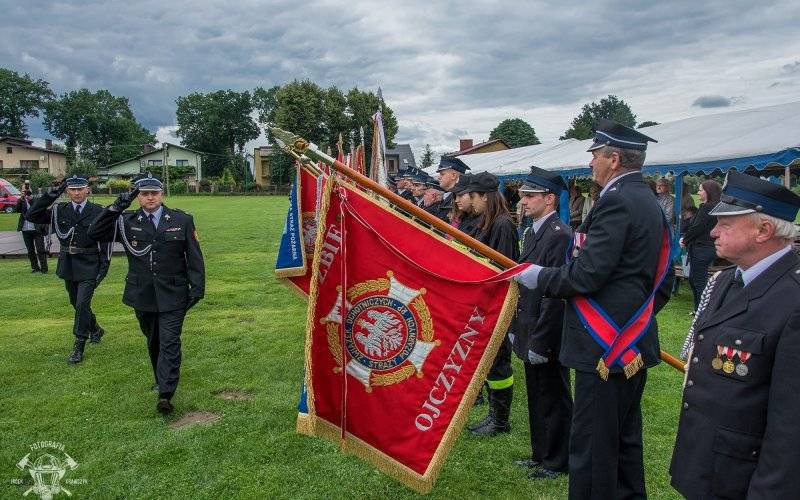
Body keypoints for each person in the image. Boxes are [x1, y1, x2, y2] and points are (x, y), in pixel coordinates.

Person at [515, 119, 669, 499]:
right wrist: (635, 317)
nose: (590, 164)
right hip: (629, 341)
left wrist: (535, 276)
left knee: (593, 448)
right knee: (625, 442)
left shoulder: (616, 200)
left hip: (604, 348)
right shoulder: (646, 198)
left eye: (596, 155)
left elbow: (585, 275)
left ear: (613, 159)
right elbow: (662, 280)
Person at [670, 170, 800, 499]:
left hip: (745, 479)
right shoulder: (725, 281)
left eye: (726, 224)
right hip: (705, 464)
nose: (713, 232)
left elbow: (790, 427)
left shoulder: (793, 300)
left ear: (764, 230)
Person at [89, 174, 205, 414]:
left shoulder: (181, 220)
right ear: (138, 197)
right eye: (144, 194)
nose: (150, 197)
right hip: (142, 293)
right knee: (154, 340)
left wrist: (198, 288)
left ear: (162, 194)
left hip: (173, 292)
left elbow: (194, 257)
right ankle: (160, 377)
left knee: (170, 341)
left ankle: (166, 393)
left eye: (154, 193)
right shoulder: (126, 221)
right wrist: (116, 206)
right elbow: (95, 232)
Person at [511, 166, 573, 480]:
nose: (523, 200)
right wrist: (515, 327)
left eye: (530, 195)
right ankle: (541, 454)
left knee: (553, 396)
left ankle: (557, 460)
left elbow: (556, 292)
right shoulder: (534, 230)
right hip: (529, 323)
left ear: (549, 199)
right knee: (536, 396)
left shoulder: (559, 235)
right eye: (523, 195)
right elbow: (522, 282)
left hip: (546, 328)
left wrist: (542, 339)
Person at [26, 175, 109, 363]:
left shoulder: (98, 211)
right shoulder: (59, 210)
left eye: (80, 189)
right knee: (76, 303)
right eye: (72, 189)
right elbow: (32, 215)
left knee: (81, 304)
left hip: (90, 263)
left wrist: (104, 266)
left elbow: (105, 242)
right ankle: (95, 329)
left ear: (87, 189)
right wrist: (52, 194)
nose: (77, 193)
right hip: (69, 264)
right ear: (67, 191)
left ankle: (79, 343)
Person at [462, 171, 519, 436]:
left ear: (484, 197)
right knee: (489, 360)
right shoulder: (489, 222)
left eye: (472, 196)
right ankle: (494, 415)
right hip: (484, 302)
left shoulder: (502, 225)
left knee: (499, 363)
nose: (469, 202)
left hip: (496, 304)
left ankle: (500, 420)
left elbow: (501, 268)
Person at [681, 179, 721, 311]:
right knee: (695, 279)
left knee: (698, 281)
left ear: (708, 192)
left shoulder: (706, 208)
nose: (698, 192)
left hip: (701, 248)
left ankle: (703, 309)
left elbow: (697, 227)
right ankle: (698, 307)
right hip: (707, 248)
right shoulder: (716, 207)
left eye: (700, 189)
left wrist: (685, 240)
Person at [16, 189, 49, 273]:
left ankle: (44, 268)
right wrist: (21, 199)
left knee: (40, 249)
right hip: (25, 229)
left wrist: (30, 199)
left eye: (27, 191)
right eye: (24, 191)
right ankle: (35, 268)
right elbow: (17, 209)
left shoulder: (36, 200)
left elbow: (37, 208)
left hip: (36, 228)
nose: (26, 193)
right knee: (30, 250)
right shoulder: (22, 200)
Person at [436, 155, 470, 222]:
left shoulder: (465, 197)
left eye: (442, 174)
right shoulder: (448, 195)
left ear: (454, 175)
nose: (438, 177)